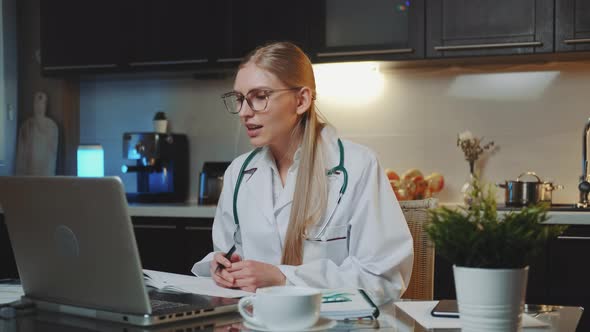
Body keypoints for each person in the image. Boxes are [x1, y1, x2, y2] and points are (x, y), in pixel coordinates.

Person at [192, 42, 413, 305]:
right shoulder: (238, 173)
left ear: (301, 100)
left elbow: (383, 280)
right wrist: (224, 269)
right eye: (239, 99)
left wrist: (283, 279)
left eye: (259, 96)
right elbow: (230, 254)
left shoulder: (359, 167)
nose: (244, 112)